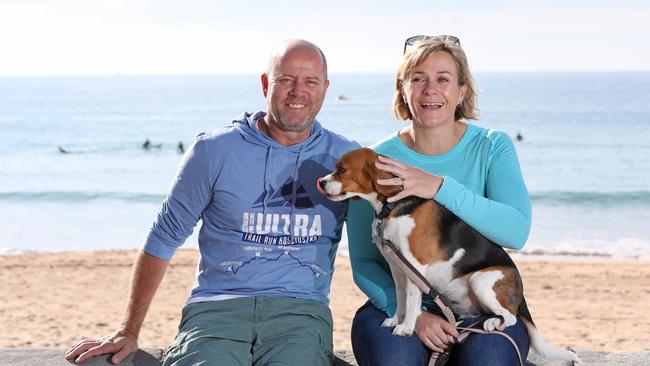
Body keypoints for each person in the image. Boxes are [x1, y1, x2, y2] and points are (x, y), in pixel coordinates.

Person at [65, 39, 358, 366]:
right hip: (215, 311)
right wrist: (128, 330)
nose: (297, 91)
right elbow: (163, 237)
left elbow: (382, 240)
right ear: (266, 84)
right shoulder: (215, 150)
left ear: (325, 88)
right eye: (286, 80)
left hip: (299, 314)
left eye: (310, 82)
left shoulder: (346, 159)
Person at [346, 35, 532, 366]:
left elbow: (515, 231)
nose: (430, 89)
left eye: (443, 79)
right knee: (394, 359)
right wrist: (411, 315)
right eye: (418, 79)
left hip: (478, 304)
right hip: (398, 304)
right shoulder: (377, 160)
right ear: (403, 89)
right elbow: (363, 262)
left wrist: (439, 187)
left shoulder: (491, 147)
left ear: (462, 90)